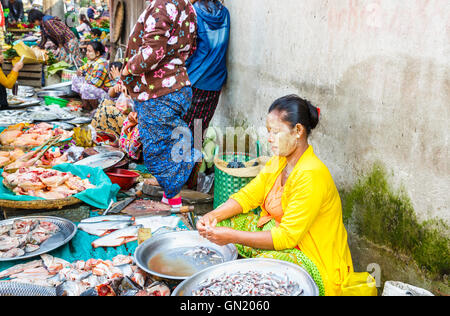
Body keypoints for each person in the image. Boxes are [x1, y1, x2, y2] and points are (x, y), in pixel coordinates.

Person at [197, 95, 354, 296]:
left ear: (298, 131)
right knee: (220, 225)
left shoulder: (311, 175)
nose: (269, 138)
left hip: (312, 258)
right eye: (269, 131)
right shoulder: (279, 161)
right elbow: (248, 196)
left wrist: (232, 237)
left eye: (276, 132)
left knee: (261, 269)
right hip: (281, 235)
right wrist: (213, 216)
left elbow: (287, 237)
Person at [121, 0, 200, 208]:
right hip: (177, 86)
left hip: (159, 90)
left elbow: (153, 52)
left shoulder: (163, 4)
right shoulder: (186, 6)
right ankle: (171, 200)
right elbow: (191, 48)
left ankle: (173, 203)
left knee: (158, 153)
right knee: (166, 148)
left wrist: (127, 70)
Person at [184, 0, 230, 135]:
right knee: (200, 127)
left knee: (185, 128)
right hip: (216, 80)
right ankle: (197, 155)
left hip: (195, 78)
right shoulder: (224, 13)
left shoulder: (192, 12)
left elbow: (189, 51)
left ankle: (184, 155)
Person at [72, 41, 110, 111]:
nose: (87, 53)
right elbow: (82, 69)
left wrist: (85, 75)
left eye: (89, 51)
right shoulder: (92, 61)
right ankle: (86, 105)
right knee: (75, 77)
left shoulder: (101, 64)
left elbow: (95, 83)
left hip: (106, 93)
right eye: (87, 51)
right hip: (96, 87)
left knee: (86, 87)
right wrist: (80, 72)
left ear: (97, 53)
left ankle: (96, 110)